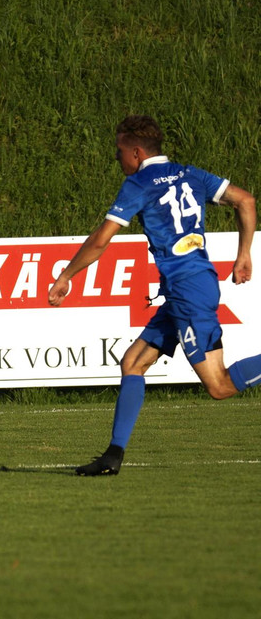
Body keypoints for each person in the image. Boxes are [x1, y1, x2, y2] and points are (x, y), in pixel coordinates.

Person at [48, 115, 261, 476]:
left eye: (119, 152)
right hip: (192, 285)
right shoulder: (190, 173)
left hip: (186, 293)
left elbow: (101, 240)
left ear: (135, 152)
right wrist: (244, 254)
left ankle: (112, 456)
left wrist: (66, 275)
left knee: (220, 386)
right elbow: (245, 200)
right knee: (132, 363)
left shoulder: (140, 184)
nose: (117, 159)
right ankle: (112, 457)